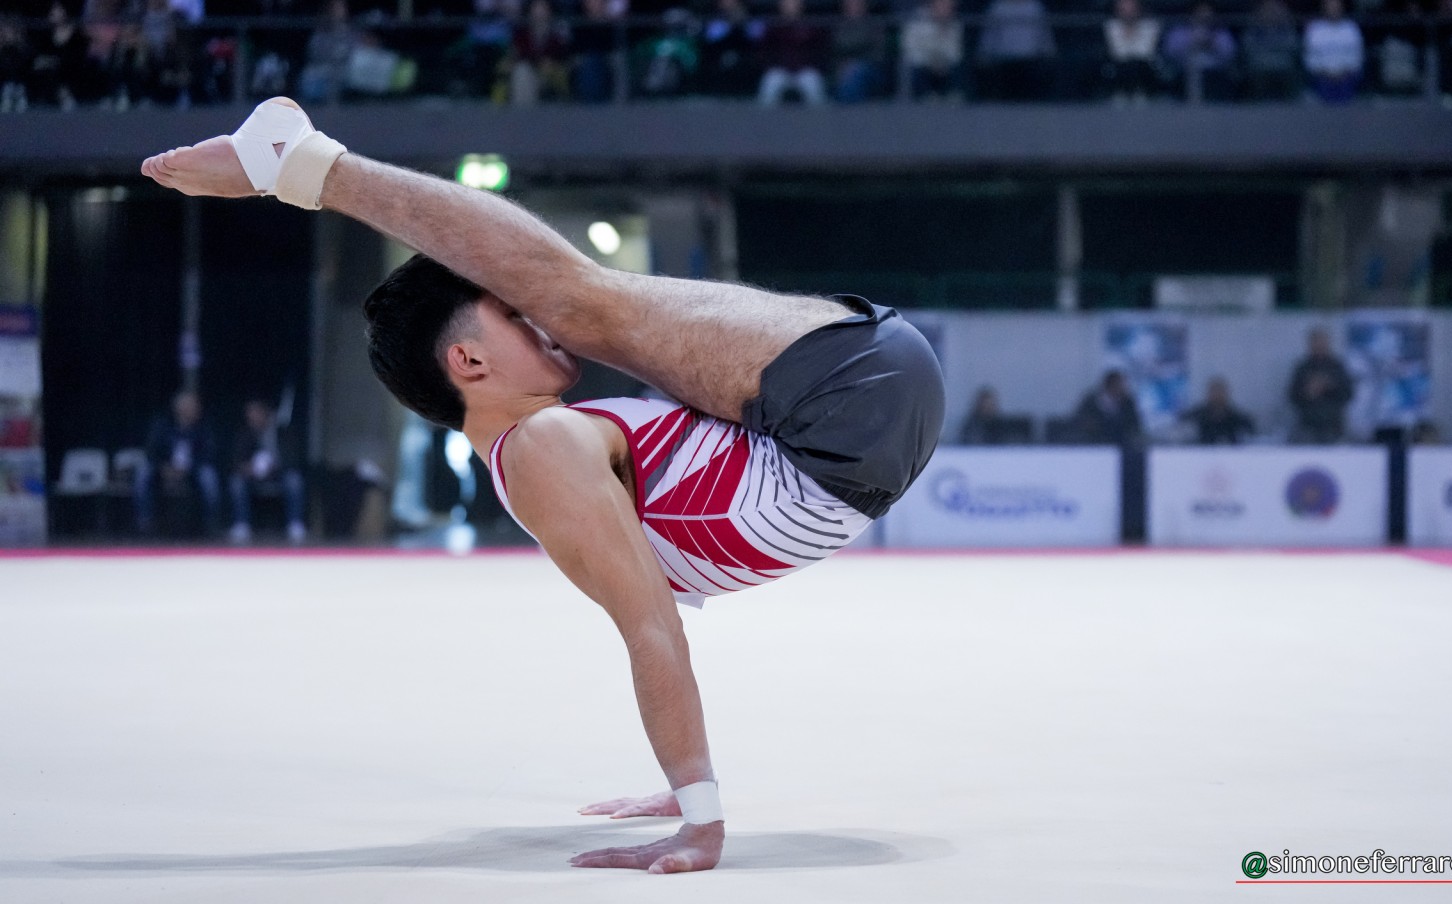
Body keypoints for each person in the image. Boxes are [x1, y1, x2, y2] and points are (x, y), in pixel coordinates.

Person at [141, 96, 944, 874]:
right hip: (851, 405)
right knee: (582, 299)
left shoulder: (531, 457)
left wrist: (683, 784)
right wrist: (701, 818)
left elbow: (658, 613)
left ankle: (301, 165)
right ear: (468, 362)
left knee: (586, 302)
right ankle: (304, 165)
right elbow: (651, 627)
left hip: (846, 431)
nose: (542, 322)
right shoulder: (545, 444)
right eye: (514, 315)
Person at [135, 389, 222, 536]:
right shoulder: (162, 425)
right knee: (143, 473)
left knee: (209, 477)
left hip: (193, 468)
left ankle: (210, 524)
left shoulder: (203, 427)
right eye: (190, 406)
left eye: (195, 406)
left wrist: (188, 468)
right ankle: (145, 521)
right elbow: (152, 451)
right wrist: (163, 467)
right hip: (164, 467)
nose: (194, 409)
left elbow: (208, 453)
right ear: (179, 408)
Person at [228, 398, 308, 544]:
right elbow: (237, 460)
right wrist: (248, 468)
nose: (253, 419)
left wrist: (275, 466)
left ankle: (295, 523)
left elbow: (293, 458)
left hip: (279, 473)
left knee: (294, 480)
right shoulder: (245, 433)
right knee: (236, 482)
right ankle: (242, 524)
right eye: (250, 416)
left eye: (256, 414)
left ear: (265, 414)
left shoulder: (282, 431)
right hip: (252, 475)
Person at [976, 0, 1056, 101]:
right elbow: (989, 35)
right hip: (1004, 61)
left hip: (1030, 61)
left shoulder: (1035, 6)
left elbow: (1043, 33)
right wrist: (984, 53)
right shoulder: (998, 7)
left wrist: (1049, 52)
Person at [1286, 326, 1353, 444]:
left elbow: (1348, 393)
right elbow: (1292, 395)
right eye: (1316, 342)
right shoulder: (1303, 368)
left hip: (1333, 426)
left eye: (1322, 342)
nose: (1319, 346)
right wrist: (1308, 392)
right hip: (1308, 425)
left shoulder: (1337, 367)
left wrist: (1329, 387)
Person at [1161, 0, 1237, 101]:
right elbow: (1169, 51)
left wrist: (1212, 44)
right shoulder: (1179, 31)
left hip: (1214, 75)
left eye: (1207, 12)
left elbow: (1230, 54)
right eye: (1200, 12)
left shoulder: (1221, 33)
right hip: (1184, 73)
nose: (1203, 16)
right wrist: (1191, 42)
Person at [756, 0, 829, 105]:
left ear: (801, 4)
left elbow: (820, 50)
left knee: (813, 83)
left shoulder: (811, 25)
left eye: (794, 2)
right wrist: (773, 65)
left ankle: (820, 116)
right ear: (780, 5)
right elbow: (764, 51)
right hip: (780, 70)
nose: (790, 6)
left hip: (805, 70)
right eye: (787, 3)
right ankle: (763, 116)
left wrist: (811, 65)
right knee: (770, 82)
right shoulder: (773, 25)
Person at [901, 0, 964, 100]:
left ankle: (953, 96)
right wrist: (930, 60)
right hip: (921, 63)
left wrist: (942, 60)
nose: (946, 8)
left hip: (944, 65)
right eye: (942, 4)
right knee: (915, 70)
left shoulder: (955, 24)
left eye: (949, 5)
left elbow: (956, 52)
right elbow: (909, 47)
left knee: (957, 68)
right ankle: (926, 97)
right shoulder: (917, 18)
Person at [1303, 0, 1362, 103]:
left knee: (1346, 93)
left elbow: (1356, 55)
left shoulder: (1351, 28)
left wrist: (1343, 72)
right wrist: (1324, 72)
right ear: (1324, 8)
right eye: (1330, 7)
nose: (1333, 10)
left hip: (1346, 75)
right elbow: (1310, 56)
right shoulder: (1315, 28)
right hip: (1321, 75)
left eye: (1336, 7)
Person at [1102, 0, 1162, 101]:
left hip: (1144, 67)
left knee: (1137, 65)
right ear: (1117, 10)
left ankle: (1141, 93)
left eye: (1131, 8)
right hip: (1118, 67)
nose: (1128, 13)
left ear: (1139, 9)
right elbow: (1117, 53)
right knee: (1120, 67)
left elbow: (1145, 52)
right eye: (1123, 9)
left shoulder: (1150, 26)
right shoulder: (1110, 26)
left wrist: (1133, 34)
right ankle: (1119, 94)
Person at [1241, 0, 1299, 100]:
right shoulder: (1254, 28)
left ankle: (1289, 101)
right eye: (1267, 9)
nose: (1271, 12)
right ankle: (1258, 101)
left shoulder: (1286, 28)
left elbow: (1292, 44)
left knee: (1290, 71)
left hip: (1282, 61)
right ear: (1260, 11)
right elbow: (1247, 45)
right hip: (1259, 62)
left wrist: (1270, 46)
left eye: (1274, 9)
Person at [832, 0, 887, 102]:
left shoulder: (875, 25)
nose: (853, 6)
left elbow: (877, 53)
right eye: (849, 4)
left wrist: (853, 63)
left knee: (855, 73)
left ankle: (852, 109)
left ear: (865, 5)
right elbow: (834, 50)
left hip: (871, 68)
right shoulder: (837, 26)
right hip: (842, 67)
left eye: (857, 3)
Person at [1068, 371, 1142, 445]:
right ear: (1109, 385)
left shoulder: (1128, 403)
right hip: (1094, 443)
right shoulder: (1091, 402)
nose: (1122, 388)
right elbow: (1082, 422)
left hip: (1121, 443)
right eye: (1118, 385)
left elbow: (1134, 424)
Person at [1181, 376, 1255, 445]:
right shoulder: (1194, 417)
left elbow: (1250, 438)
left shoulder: (1240, 420)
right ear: (1208, 394)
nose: (1217, 396)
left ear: (1226, 393)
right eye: (1214, 392)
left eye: (1220, 392)